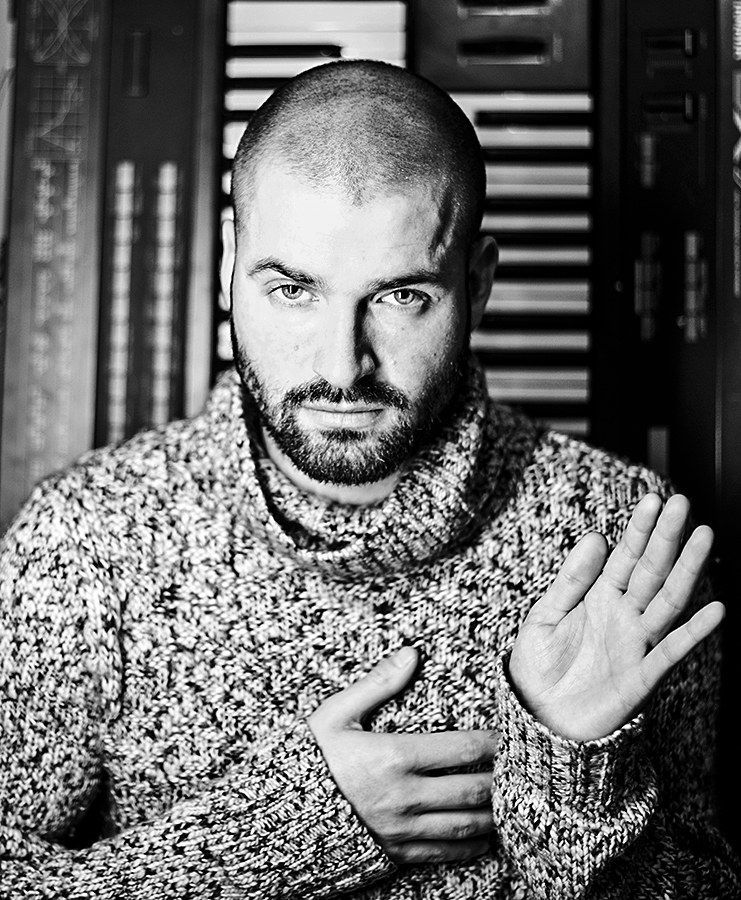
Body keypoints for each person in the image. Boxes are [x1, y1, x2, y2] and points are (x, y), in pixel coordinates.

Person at [0, 59, 738, 900]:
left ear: (476, 285)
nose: (342, 366)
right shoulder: (85, 540)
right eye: (293, 290)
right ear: (228, 267)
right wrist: (286, 836)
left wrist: (573, 770)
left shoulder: (619, 538)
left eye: (399, 297)